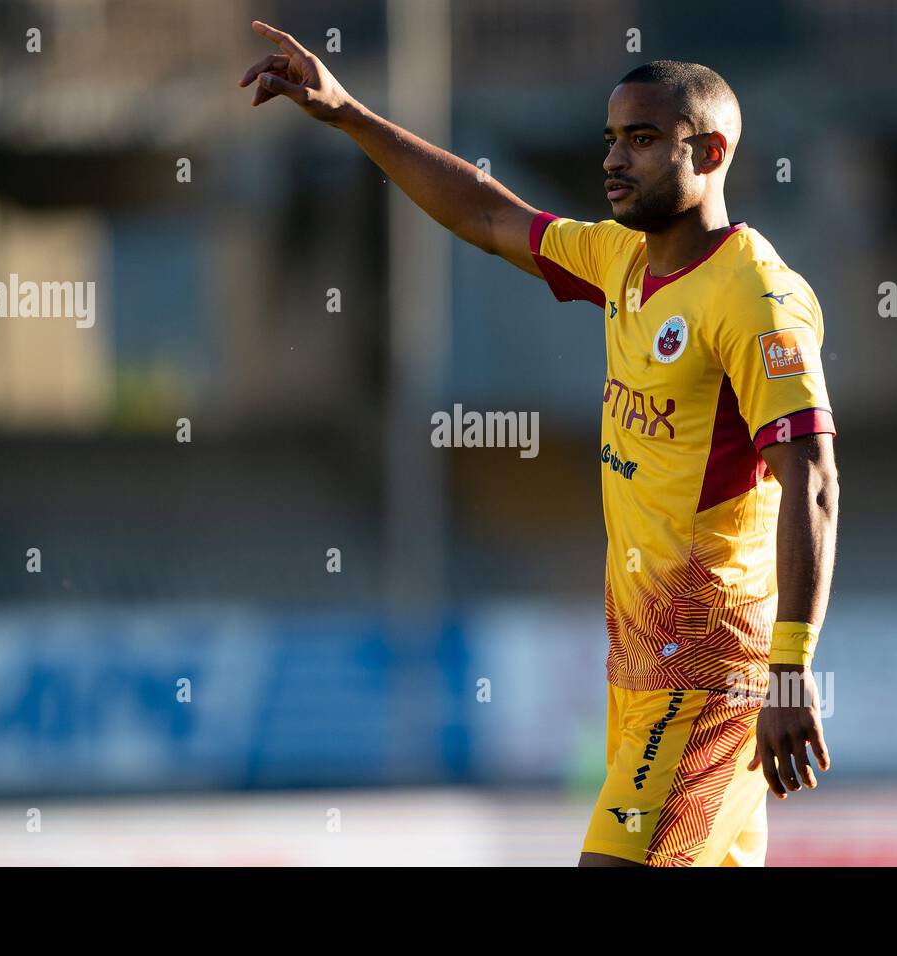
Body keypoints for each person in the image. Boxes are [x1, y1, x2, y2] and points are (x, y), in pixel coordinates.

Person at [240, 21, 839, 867]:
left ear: (710, 152)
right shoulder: (620, 260)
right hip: (639, 672)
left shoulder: (756, 301)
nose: (613, 160)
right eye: (609, 139)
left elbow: (812, 477)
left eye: (641, 139)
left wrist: (790, 669)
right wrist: (347, 114)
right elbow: (489, 215)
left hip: (710, 672)